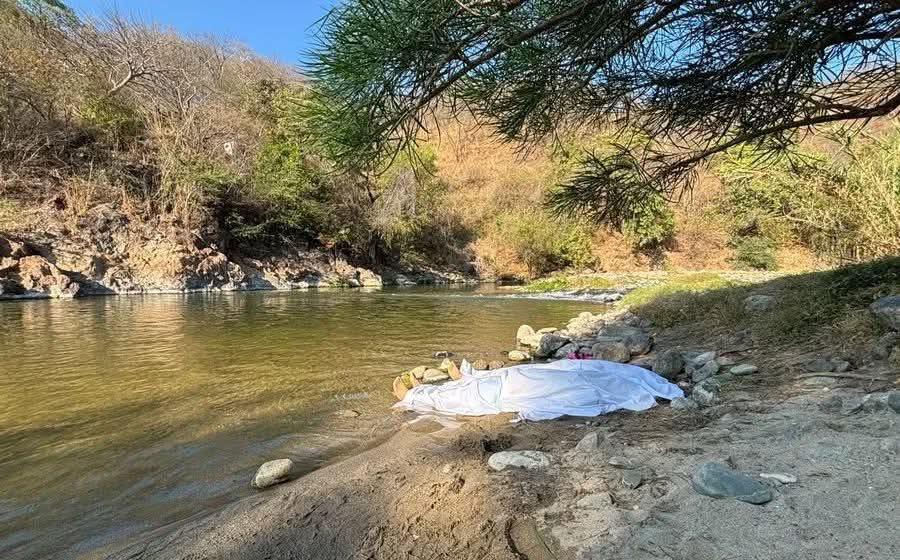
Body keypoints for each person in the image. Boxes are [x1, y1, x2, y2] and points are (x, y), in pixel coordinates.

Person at [393, 358, 683, 421]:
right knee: (535, 372)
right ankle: (469, 376)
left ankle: (416, 396)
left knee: (501, 390)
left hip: (516, 390)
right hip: (533, 380)